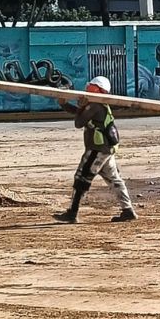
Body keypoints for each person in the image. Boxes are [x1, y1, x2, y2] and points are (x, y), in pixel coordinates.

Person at [53, 75, 138, 224]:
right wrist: (64, 104)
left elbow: (79, 122)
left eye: (91, 86)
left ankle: (72, 213)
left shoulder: (95, 105)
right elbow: (79, 114)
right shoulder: (98, 104)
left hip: (97, 149)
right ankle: (128, 210)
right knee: (114, 179)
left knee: (82, 177)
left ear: (97, 90)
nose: (87, 88)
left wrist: (80, 107)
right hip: (106, 149)